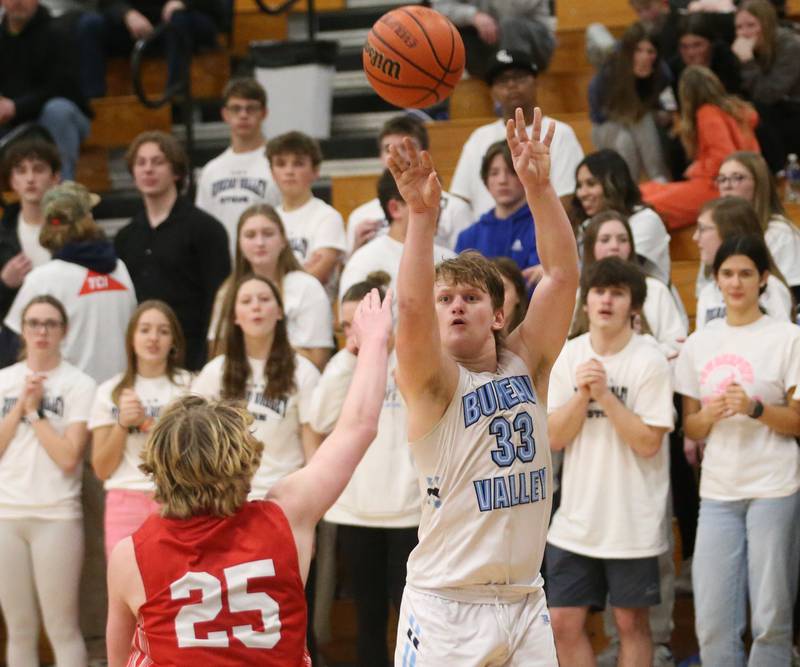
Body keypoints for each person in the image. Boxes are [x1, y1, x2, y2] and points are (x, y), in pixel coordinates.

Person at [105, 288, 393, 667]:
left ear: (158, 467)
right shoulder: (286, 516)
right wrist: (374, 342)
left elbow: (119, 656)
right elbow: (359, 427)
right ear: (244, 459)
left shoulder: (132, 555)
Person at [388, 106, 579, 665]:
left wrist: (539, 188)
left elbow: (563, 275)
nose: (454, 308)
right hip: (447, 604)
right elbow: (411, 305)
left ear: (498, 315)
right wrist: (422, 219)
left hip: (525, 598)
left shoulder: (529, 362)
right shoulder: (433, 385)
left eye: (470, 298)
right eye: (447, 299)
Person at [674, 234, 800, 666]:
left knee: (771, 618)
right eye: (727, 273)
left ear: (764, 278)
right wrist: (711, 415)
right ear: (716, 278)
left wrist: (755, 407)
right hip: (718, 491)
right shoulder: (699, 341)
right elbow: (689, 425)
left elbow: (798, 420)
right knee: (712, 621)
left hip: (775, 487)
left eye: (746, 272)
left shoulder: (787, 337)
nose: (736, 282)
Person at [547, 257, 673, 667]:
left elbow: (648, 442)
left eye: (617, 293)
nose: (606, 300)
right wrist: (583, 395)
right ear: (586, 302)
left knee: (631, 624)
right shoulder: (570, 355)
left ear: (633, 306)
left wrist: (604, 395)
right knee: (562, 622)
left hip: (632, 521)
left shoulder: (649, 359)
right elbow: (554, 437)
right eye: (600, 291)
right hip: (575, 521)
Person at [309, 273, 418, 667]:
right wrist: (350, 357)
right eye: (348, 326)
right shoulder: (344, 364)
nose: (359, 332)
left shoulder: (412, 357)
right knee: (367, 619)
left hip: (410, 511)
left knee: (412, 620)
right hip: (355, 512)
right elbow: (319, 418)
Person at [0, 295, 96, 667]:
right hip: (6, 514)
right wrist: (21, 404)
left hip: (56, 515)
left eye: (50, 324)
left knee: (62, 627)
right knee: (20, 629)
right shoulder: (5, 380)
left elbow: (69, 457)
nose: (41, 331)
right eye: (34, 323)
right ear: (22, 330)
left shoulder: (79, 384)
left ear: (63, 331)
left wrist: (35, 413)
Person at [193, 273, 321, 498]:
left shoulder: (304, 371)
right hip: (226, 501)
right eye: (246, 301)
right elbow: (196, 443)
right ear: (234, 316)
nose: (256, 307)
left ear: (280, 311)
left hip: (285, 498)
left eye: (264, 299)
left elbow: (313, 448)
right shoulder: (214, 372)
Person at [114, 130, 231, 371]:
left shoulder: (206, 229)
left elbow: (219, 299)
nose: (148, 169)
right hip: (143, 357)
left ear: (176, 171)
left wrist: (210, 357)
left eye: (158, 162)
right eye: (141, 163)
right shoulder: (125, 237)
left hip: (194, 353)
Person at [5, 181, 137, 383]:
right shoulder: (120, 269)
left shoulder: (42, 279)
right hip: (118, 396)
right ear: (88, 219)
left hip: (69, 399)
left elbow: (11, 346)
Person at [89, 300, 191, 557]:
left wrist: (147, 423)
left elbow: (193, 457)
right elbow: (101, 468)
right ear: (131, 339)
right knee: (125, 591)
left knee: (173, 591)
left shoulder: (189, 386)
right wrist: (122, 424)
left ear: (174, 341)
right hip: (124, 500)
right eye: (145, 330)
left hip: (176, 499)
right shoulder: (109, 392)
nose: (153, 338)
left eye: (163, 331)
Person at [449, 50, 584, 218]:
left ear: (536, 82)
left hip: (539, 238)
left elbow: (567, 198)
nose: (511, 85)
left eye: (519, 77)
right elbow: (460, 199)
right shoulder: (478, 138)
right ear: (492, 92)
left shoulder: (559, 133)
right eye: (503, 80)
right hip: (485, 239)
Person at [209, 204, 334, 370]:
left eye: (268, 234)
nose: (260, 242)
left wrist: (262, 343)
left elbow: (319, 361)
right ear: (239, 243)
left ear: (283, 240)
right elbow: (218, 355)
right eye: (250, 235)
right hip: (240, 385)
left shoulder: (307, 287)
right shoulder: (228, 291)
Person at [640, 65, 759, 230]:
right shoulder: (735, 110)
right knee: (645, 190)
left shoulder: (707, 113)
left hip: (718, 188)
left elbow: (724, 159)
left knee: (644, 205)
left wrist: (697, 168)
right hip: (737, 185)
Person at [346, 115, 472, 254]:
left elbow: (467, 267)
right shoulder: (360, 216)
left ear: (425, 153)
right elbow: (347, 273)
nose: (398, 155)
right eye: (389, 149)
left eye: (407, 147)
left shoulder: (456, 209)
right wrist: (357, 248)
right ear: (380, 157)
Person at [0, 0, 91, 181]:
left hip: (61, 120)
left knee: (58, 110)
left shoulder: (58, 32)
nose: (18, 1)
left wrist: (16, 106)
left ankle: (62, 195)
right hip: (12, 123)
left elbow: (63, 87)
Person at [576, 211, 687, 358]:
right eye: (605, 240)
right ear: (590, 248)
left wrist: (638, 343)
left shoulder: (655, 289)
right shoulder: (578, 294)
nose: (615, 246)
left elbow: (677, 347)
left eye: (623, 240)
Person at [194, 78, 281, 257]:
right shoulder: (211, 170)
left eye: (251, 108)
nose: (243, 115)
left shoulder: (278, 164)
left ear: (264, 113)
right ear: (225, 114)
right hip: (222, 266)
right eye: (236, 108)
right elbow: (202, 229)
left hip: (266, 263)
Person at [338, 169, 454, 302]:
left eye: (437, 200)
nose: (436, 209)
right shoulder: (363, 263)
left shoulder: (451, 261)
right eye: (425, 200)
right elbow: (350, 320)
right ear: (395, 208)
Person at [76, 0, 224, 99]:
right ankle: (94, 101)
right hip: (137, 27)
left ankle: (174, 95)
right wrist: (127, 13)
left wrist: (182, 2)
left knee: (178, 19)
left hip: (187, 20)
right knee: (89, 25)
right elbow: (106, 3)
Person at [573, 149, 672, 284]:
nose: (581, 193)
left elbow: (621, 272)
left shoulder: (646, 220)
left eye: (591, 184)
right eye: (579, 185)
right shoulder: (587, 226)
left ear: (615, 184)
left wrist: (564, 274)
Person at [589, 22, 671, 182]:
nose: (644, 57)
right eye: (638, 51)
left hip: (640, 120)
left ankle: (658, 180)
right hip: (608, 124)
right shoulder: (609, 73)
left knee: (644, 121)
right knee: (625, 142)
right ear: (628, 52)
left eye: (650, 52)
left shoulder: (662, 74)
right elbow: (598, 117)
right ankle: (628, 188)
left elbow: (667, 110)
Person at [693, 196, 792, 328]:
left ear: (729, 231)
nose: (695, 237)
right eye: (727, 274)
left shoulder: (770, 288)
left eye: (702, 229)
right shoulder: (708, 292)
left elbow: (782, 342)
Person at [455, 140, 542, 287]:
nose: (502, 180)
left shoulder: (542, 227)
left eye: (511, 172)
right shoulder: (469, 236)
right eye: (494, 173)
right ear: (486, 180)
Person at [268, 131, 346, 292]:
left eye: (298, 163)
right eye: (281, 164)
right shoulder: (267, 219)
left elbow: (318, 274)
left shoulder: (327, 217)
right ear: (272, 172)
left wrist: (274, 281)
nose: (289, 171)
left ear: (316, 170)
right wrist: (301, 271)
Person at [716, 150, 800, 299]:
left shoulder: (780, 233)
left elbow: (794, 294)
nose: (726, 186)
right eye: (722, 179)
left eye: (737, 178)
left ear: (759, 183)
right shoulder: (716, 233)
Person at [733, 0, 800, 171]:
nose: (745, 33)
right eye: (739, 27)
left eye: (751, 25)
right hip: (773, 112)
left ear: (767, 24)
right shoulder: (742, 48)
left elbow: (768, 94)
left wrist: (748, 62)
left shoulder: (790, 45)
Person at [0, 137, 59, 322]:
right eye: (21, 171)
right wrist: (4, 284)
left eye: (39, 169)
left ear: (55, 178)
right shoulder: (3, 235)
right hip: (15, 341)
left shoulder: (74, 232)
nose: (30, 178)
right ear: (12, 181)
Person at [431, 0, 555, 75]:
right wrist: (473, 15)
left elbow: (512, 10)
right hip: (488, 43)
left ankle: (512, 86)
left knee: (510, 25)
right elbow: (439, 9)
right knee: (449, 32)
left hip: (535, 45)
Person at [492, 256, 528, 333]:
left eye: (501, 289)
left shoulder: (536, 337)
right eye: (488, 289)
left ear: (518, 295)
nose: (494, 297)